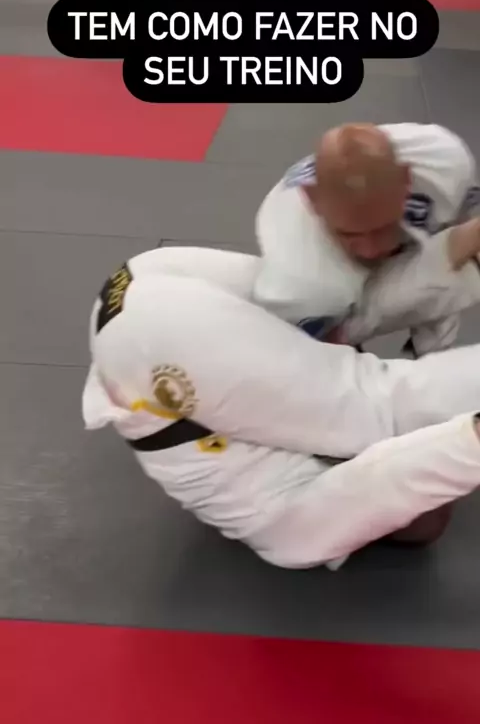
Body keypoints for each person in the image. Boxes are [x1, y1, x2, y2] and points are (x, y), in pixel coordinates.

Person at [82, 232, 480, 571]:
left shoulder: (290, 531)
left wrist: (467, 440)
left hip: (155, 338)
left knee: (371, 392)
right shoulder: (280, 495)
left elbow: (391, 459)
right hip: (137, 285)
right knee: (343, 316)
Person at [254, 123, 480, 356]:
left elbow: (462, 223)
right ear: (314, 202)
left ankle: (431, 353)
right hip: (323, 286)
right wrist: (341, 343)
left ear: (406, 178)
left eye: (382, 228)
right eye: (349, 234)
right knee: (338, 332)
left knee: (461, 264)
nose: (370, 250)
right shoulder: (301, 278)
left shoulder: (444, 163)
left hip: (408, 217)